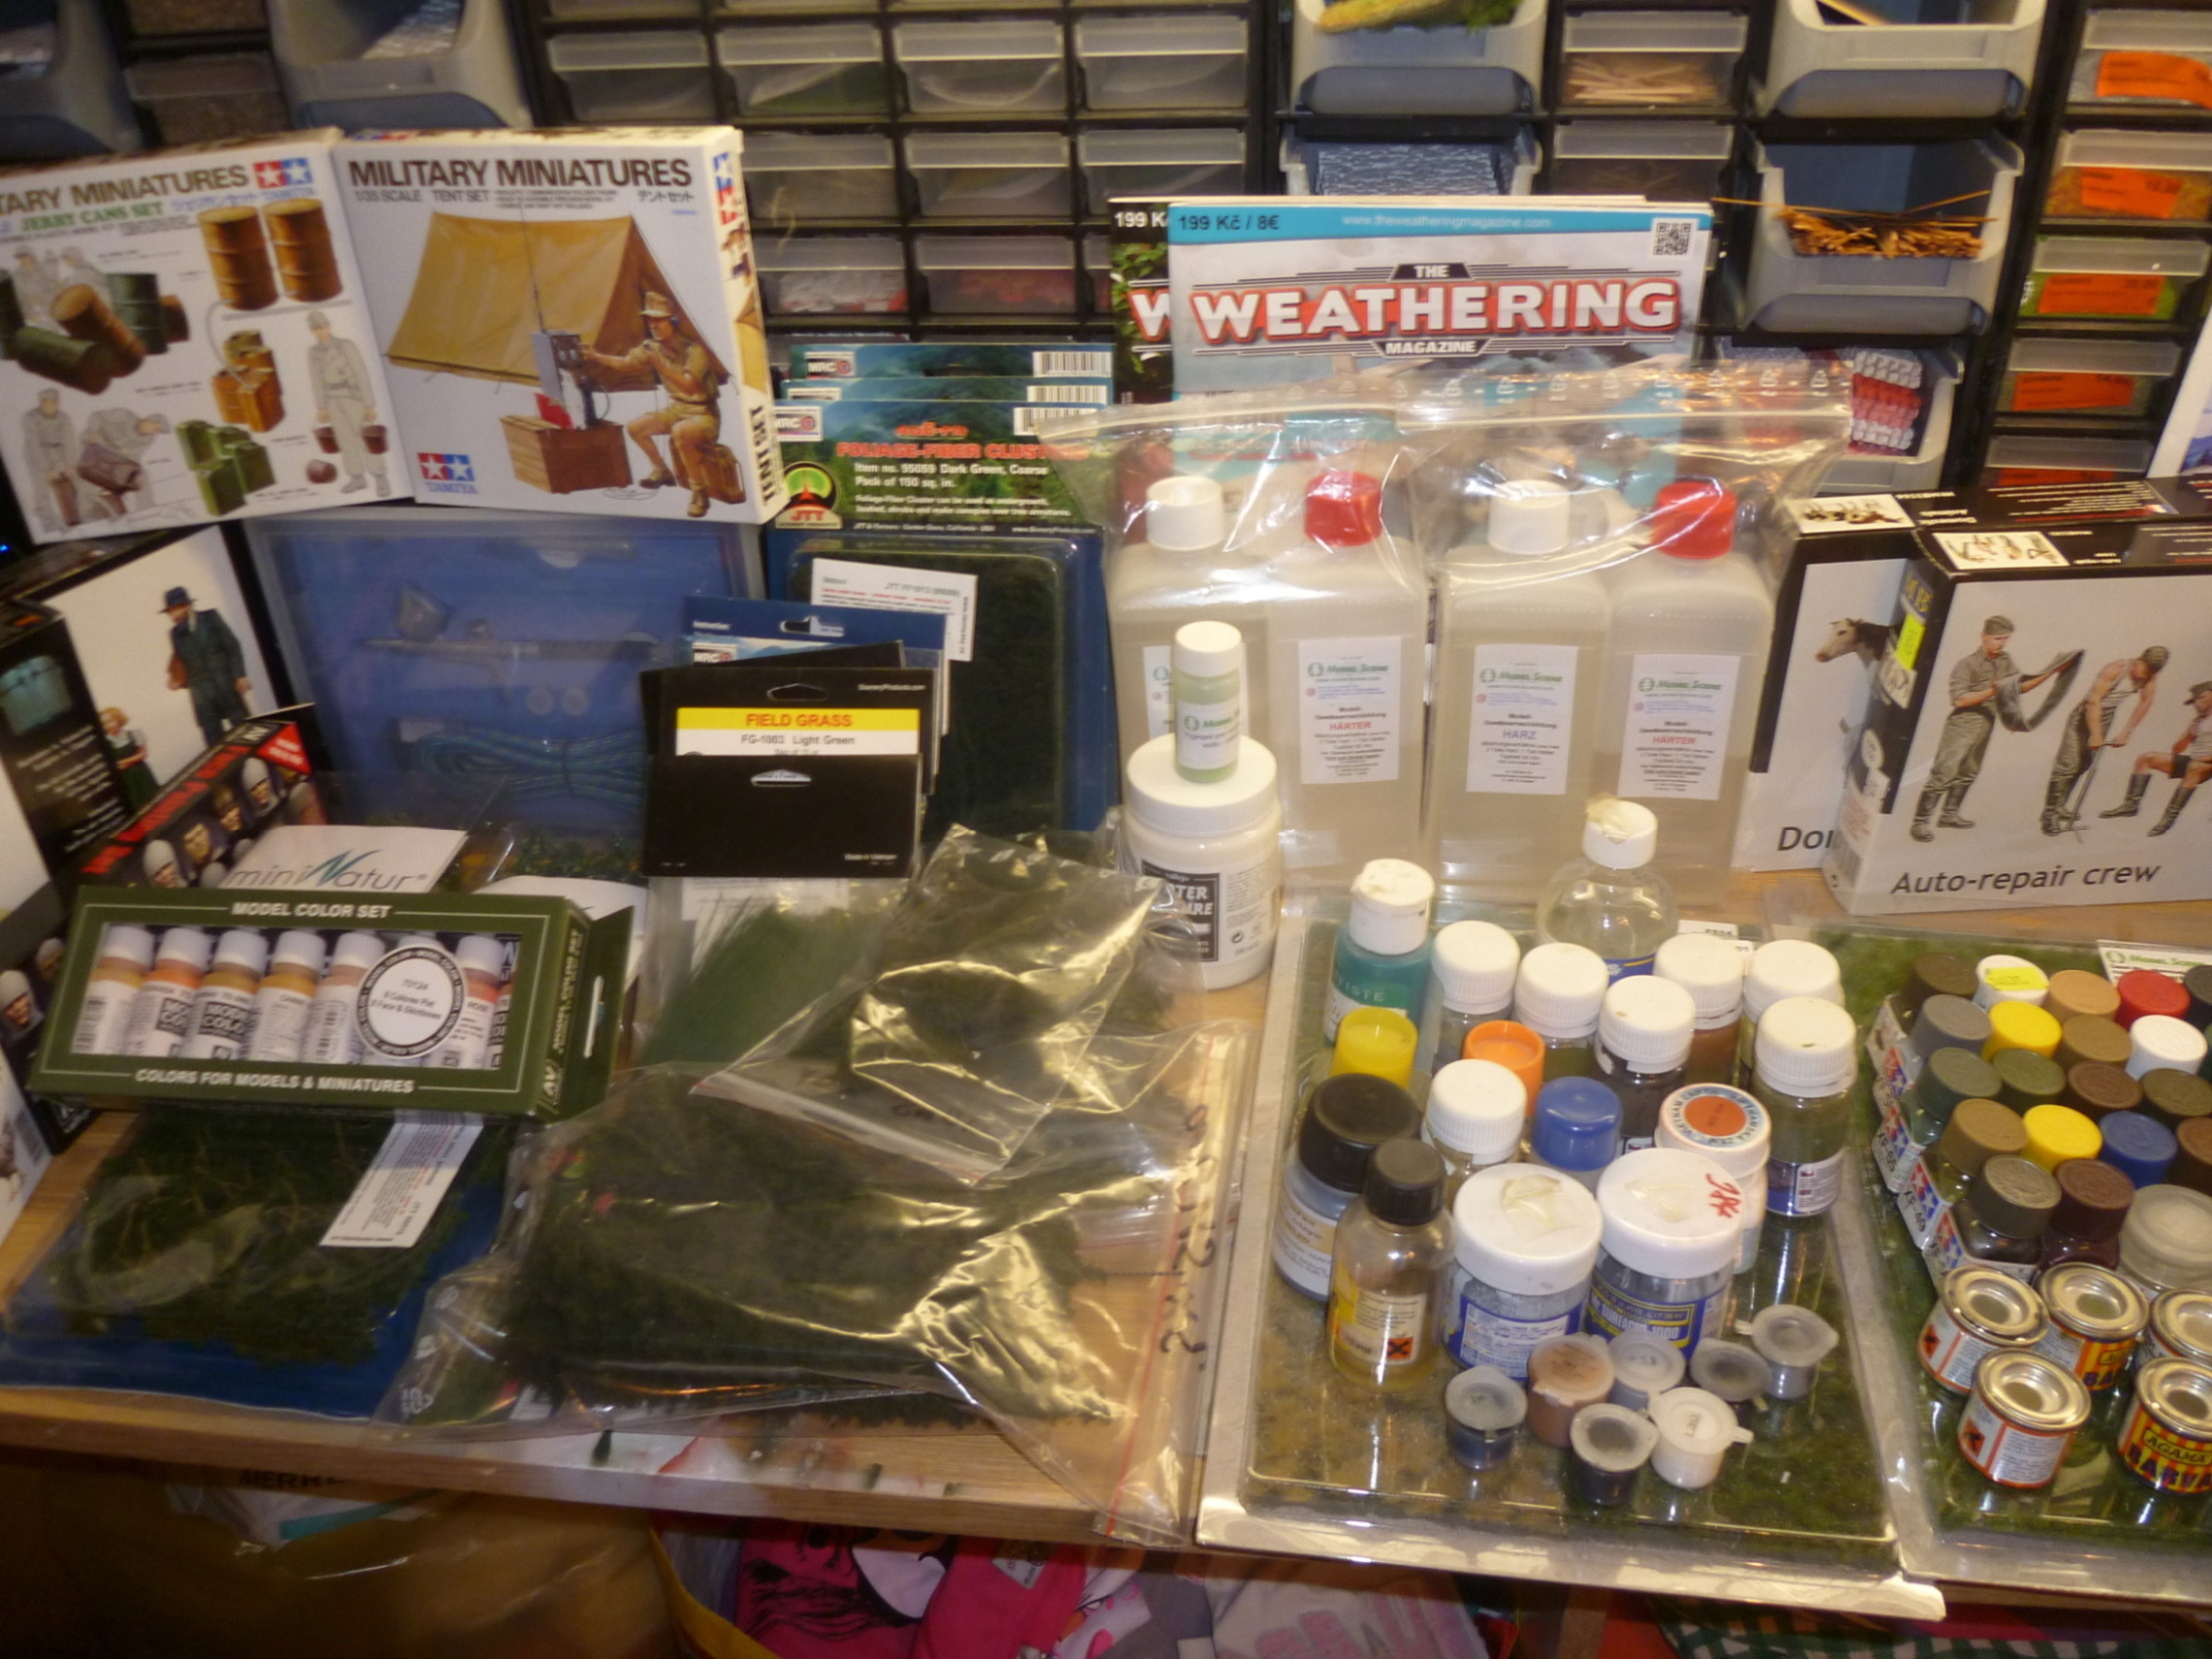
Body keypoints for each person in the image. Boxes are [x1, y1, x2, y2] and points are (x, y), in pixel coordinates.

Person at [1912, 616, 2067, 843]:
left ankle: (1949, 814)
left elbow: (2020, 687)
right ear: (1984, 636)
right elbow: (1959, 699)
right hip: (1961, 724)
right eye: (1997, 638)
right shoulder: (1967, 664)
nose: (2001, 643)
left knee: (1970, 771)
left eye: (2005, 638)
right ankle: (1920, 822)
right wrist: (1992, 690)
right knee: (1944, 772)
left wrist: (2051, 671)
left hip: (1986, 722)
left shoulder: (2005, 660)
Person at [581, 291, 726, 520]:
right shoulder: (651, 346)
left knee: (680, 432)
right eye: (650, 321)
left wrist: (659, 365)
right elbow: (626, 363)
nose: (653, 325)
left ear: (673, 322)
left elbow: (689, 386)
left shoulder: (694, 351)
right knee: (635, 427)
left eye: (659, 320)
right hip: (677, 409)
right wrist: (595, 356)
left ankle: (699, 492)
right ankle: (661, 470)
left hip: (703, 413)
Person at [2042, 646, 2166, 835]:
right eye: (2144, 669)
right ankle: (2049, 814)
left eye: (2150, 672)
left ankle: (2060, 805)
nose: (2145, 675)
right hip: (2084, 715)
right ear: (2139, 659)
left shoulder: (2150, 676)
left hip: (2106, 717)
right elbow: (2094, 701)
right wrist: (2095, 733)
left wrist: (2127, 731)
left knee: (2083, 764)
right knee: (2067, 764)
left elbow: (2145, 702)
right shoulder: (2116, 668)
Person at [2104, 679, 2212, 838]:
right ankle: (2131, 804)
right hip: (2195, 761)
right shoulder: (2198, 720)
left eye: (2201, 697)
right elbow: (2177, 749)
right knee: (2146, 758)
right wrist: (2189, 735)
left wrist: (2206, 758)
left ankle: (2167, 819)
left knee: (2194, 767)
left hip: (2207, 764)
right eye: (2194, 700)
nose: (2197, 703)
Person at [305, 310, 388, 497]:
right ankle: (357, 477)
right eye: (316, 329)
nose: (320, 331)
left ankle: (380, 476)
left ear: (328, 326)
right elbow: (315, 379)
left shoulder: (345, 346)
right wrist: (321, 406)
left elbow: (361, 373)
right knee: (344, 440)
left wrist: (368, 404)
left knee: (367, 438)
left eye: (322, 327)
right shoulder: (314, 352)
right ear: (312, 331)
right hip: (332, 401)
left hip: (352, 397)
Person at [162, 585, 251, 746]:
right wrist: (177, 681)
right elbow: (185, 665)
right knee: (214, 747)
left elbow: (232, 646)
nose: (173, 615)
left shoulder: (211, 617)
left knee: (247, 735)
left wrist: (240, 675)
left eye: (175, 609)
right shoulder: (175, 633)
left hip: (226, 687)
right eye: (170, 611)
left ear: (187, 605)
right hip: (202, 698)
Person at [78, 407, 169, 518]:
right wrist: (93, 431)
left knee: (141, 477)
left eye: (157, 430)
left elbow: (134, 457)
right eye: (154, 426)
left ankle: (147, 508)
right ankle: (86, 512)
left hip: (114, 458)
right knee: (87, 479)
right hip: (92, 447)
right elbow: (97, 415)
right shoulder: (125, 415)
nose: (153, 430)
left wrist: (134, 472)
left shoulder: (148, 439)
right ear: (148, 419)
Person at [21, 389, 75, 532]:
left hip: (58, 453)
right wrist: (46, 469)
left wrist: (69, 464)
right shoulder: (30, 417)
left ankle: (73, 517)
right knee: (42, 487)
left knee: (71, 482)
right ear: (41, 402)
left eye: (54, 402)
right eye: (46, 402)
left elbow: (69, 441)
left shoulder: (63, 417)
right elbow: (33, 443)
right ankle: (47, 519)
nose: (50, 405)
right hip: (36, 454)